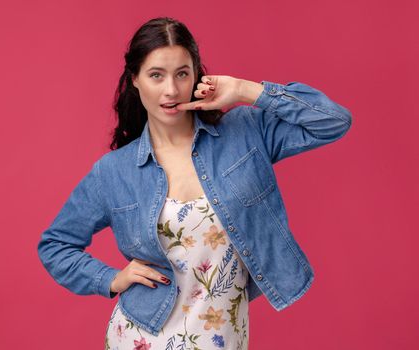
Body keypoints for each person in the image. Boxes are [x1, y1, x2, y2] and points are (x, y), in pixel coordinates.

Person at [37, 17, 352, 350]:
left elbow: (333, 121)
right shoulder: (114, 172)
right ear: (135, 80)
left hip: (221, 336)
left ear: (196, 76)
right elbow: (55, 245)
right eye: (156, 75)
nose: (171, 89)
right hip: (142, 337)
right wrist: (111, 280)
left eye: (182, 74)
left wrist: (245, 90)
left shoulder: (244, 133)